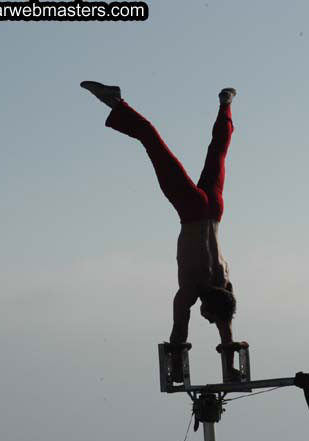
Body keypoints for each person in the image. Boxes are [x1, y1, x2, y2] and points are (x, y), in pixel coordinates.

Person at [80, 81, 240, 381]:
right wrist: (178, 367)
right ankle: (115, 102)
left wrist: (230, 367)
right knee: (152, 142)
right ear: (208, 307)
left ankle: (225, 103)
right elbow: (180, 331)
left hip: (215, 211)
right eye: (210, 318)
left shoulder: (224, 281)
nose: (207, 321)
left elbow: (226, 330)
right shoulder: (192, 288)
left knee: (218, 152)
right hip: (191, 211)